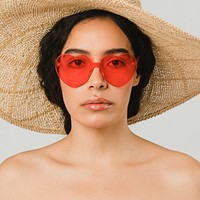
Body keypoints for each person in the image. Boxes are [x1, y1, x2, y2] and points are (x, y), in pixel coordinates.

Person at [0, 0, 200, 199]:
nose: (97, 81)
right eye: (77, 63)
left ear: (137, 72)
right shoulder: (15, 179)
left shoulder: (185, 179)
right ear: (56, 72)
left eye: (115, 63)